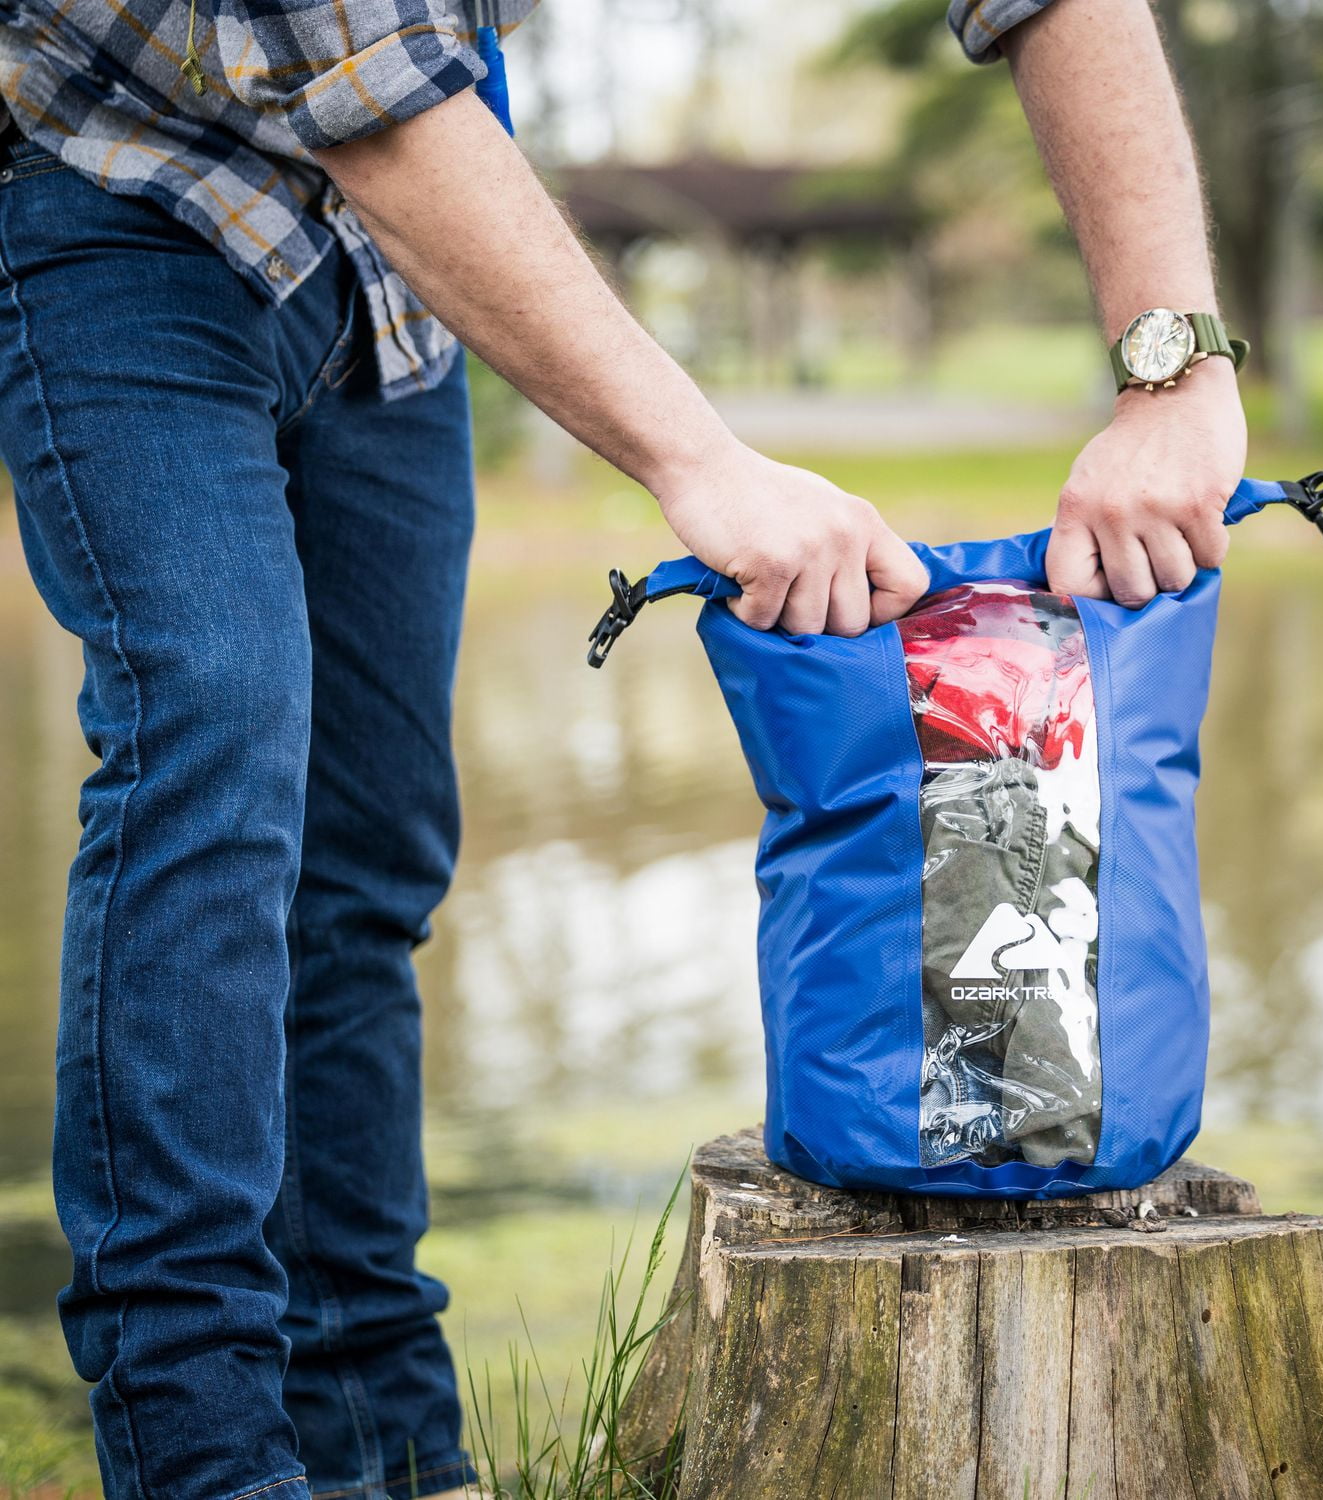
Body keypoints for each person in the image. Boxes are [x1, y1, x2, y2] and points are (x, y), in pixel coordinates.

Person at [0, 0, 1247, 1495]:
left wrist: (1174, 371)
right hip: (121, 192)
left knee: (367, 859)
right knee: (215, 740)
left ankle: (391, 1452)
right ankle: (209, 1461)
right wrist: (701, 464)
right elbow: (371, 87)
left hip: (393, 286)